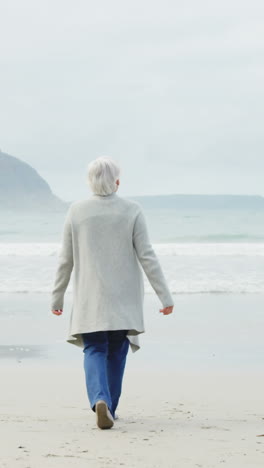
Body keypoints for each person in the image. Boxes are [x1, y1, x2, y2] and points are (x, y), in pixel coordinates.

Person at [50, 156, 174, 429]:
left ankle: (99, 400)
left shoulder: (77, 211)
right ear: (117, 181)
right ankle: (111, 409)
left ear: (90, 182)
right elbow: (147, 256)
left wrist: (56, 296)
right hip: (124, 298)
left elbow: (65, 259)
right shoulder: (132, 210)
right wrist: (165, 296)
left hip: (89, 297)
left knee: (94, 348)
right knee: (117, 350)